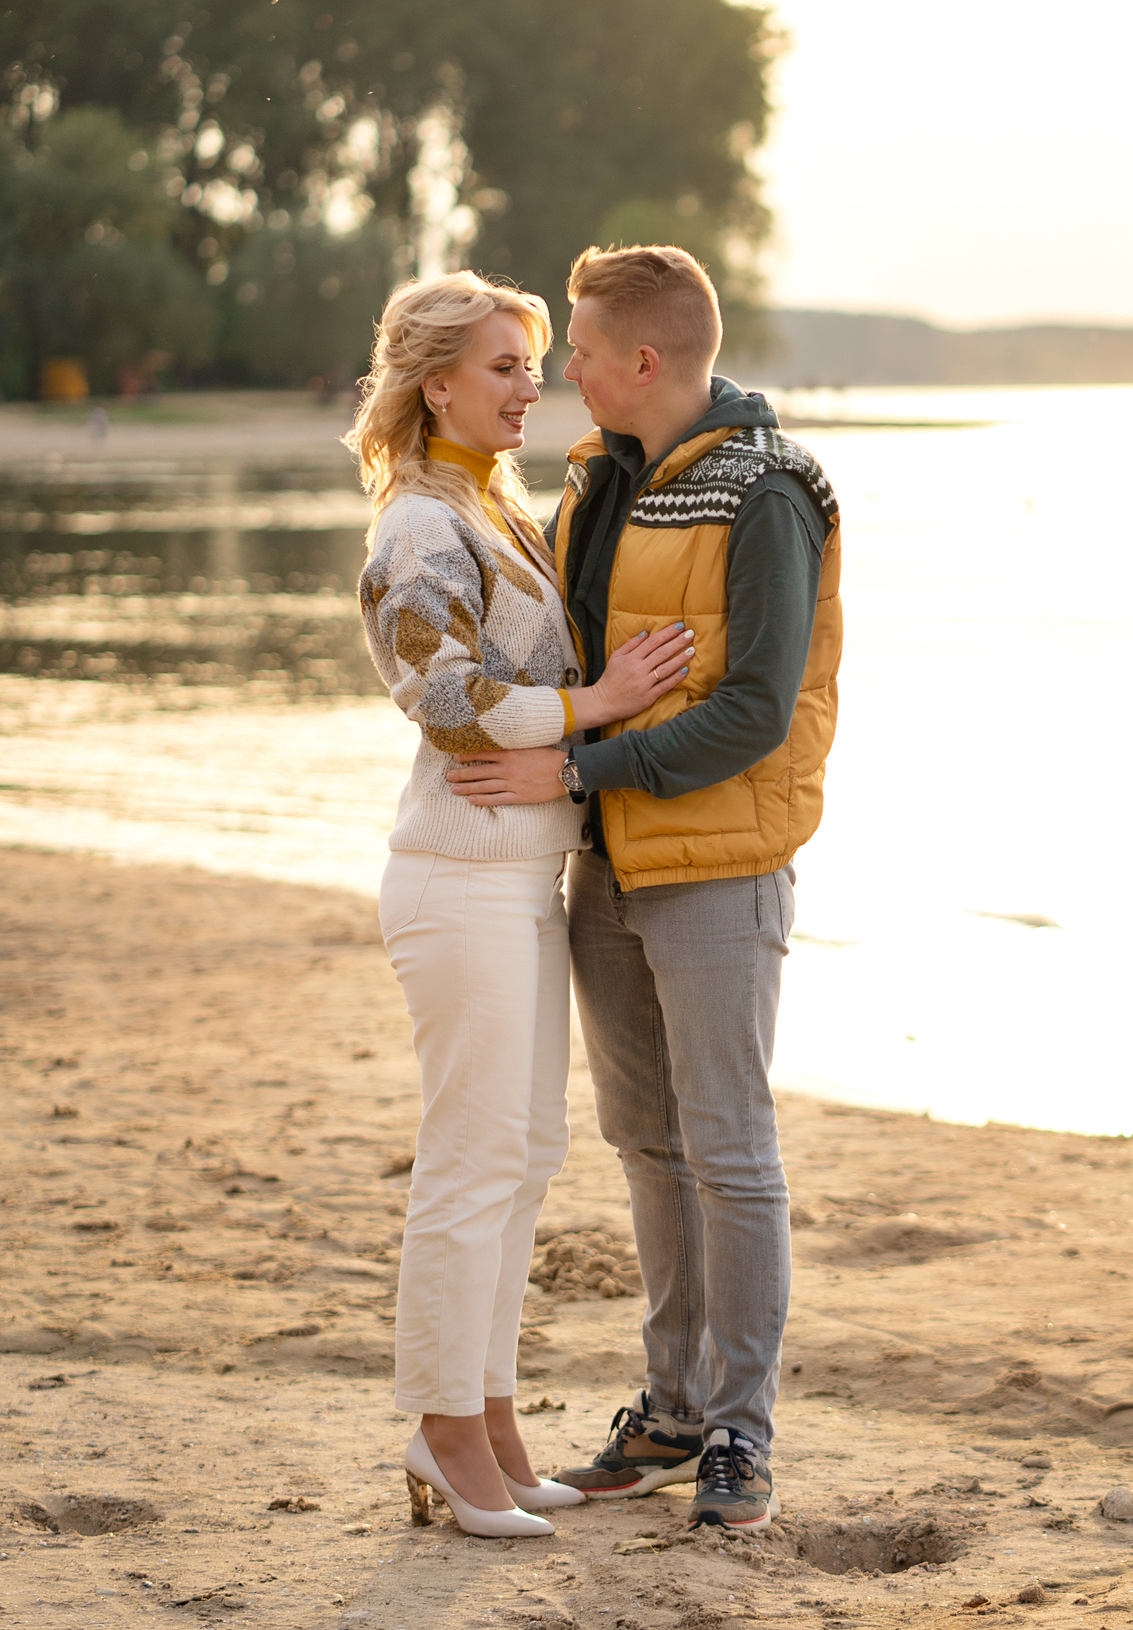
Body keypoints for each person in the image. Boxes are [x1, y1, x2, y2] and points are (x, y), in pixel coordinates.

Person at [444, 244, 841, 1531]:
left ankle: (739, 1434)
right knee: (648, 1146)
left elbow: (755, 713)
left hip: (718, 870)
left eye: (579, 347)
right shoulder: (593, 482)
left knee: (729, 1152)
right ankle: (671, 1412)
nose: (565, 367)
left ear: (645, 359)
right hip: (606, 866)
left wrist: (578, 761)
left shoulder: (768, 490)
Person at [348, 269, 696, 1538]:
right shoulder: (415, 526)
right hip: (457, 882)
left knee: (524, 1156)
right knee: (471, 1162)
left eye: (532, 366)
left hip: (518, 877)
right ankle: (443, 1429)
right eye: (502, 367)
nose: (527, 389)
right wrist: (596, 705)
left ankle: (489, 1419)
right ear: (435, 384)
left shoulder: (488, 505)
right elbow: (442, 697)